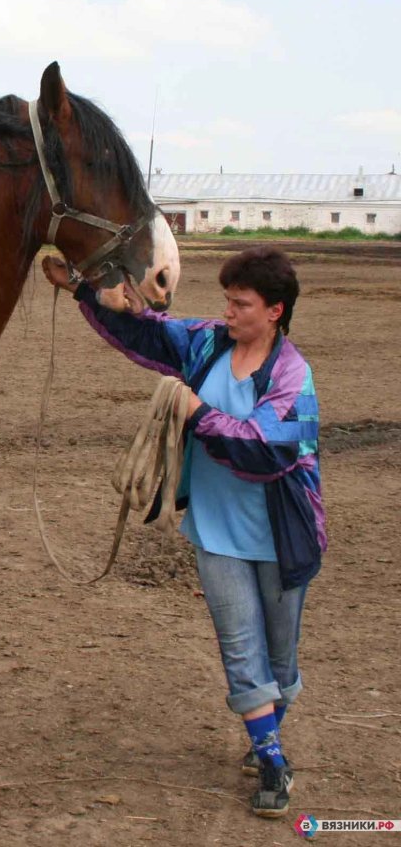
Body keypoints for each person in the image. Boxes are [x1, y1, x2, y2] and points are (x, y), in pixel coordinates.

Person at [42, 245, 324, 820]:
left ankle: (265, 733)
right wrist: (82, 289)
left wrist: (194, 411)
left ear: (274, 311)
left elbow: (264, 448)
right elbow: (148, 332)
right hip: (216, 532)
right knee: (240, 648)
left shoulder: (293, 375)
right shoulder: (207, 343)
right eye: (227, 301)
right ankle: (272, 760)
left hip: (281, 537)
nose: (228, 312)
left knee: (280, 659)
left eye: (241, 304)